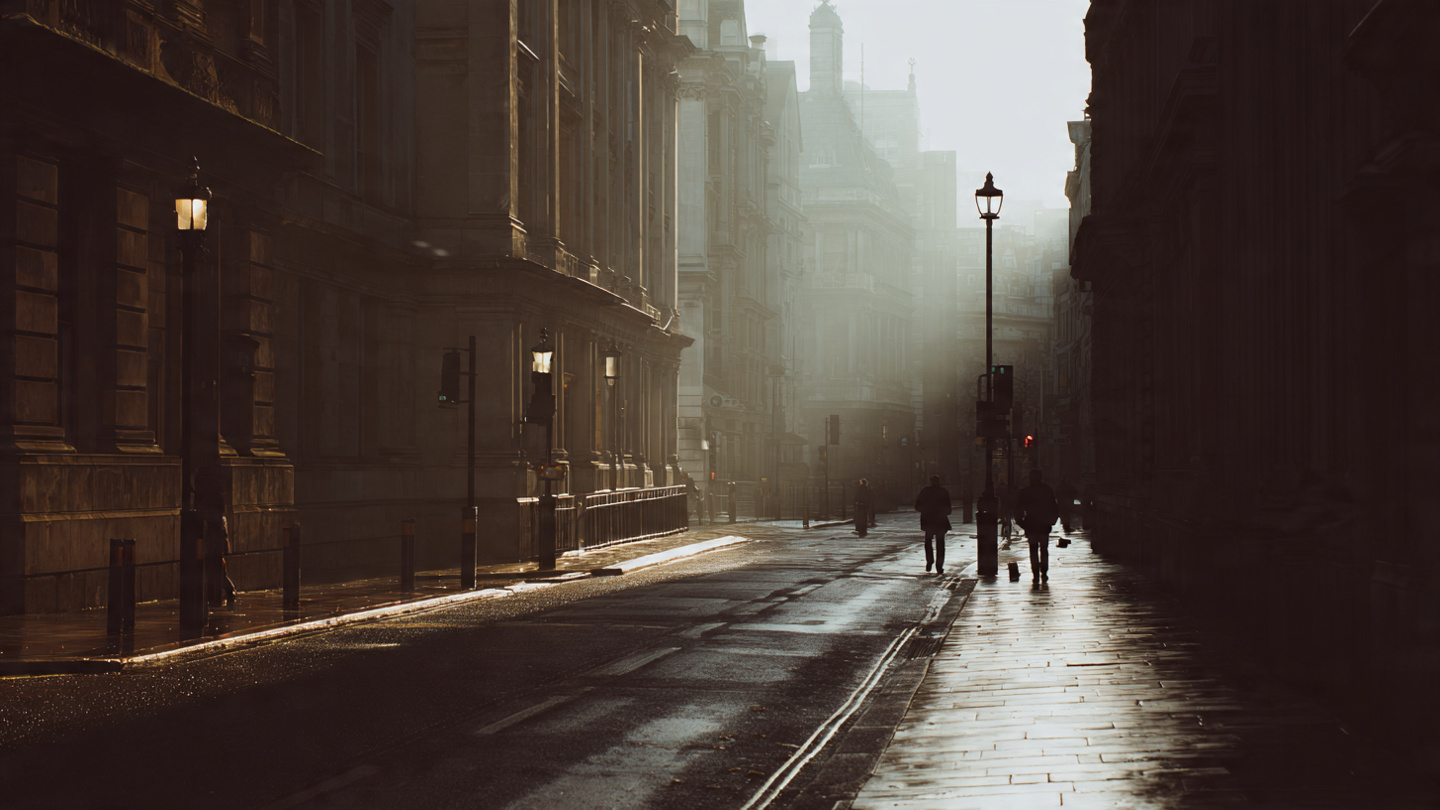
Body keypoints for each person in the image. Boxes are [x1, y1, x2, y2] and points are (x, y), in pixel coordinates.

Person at [195, 465, 237, 607]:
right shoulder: (215, 500)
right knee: (216, 567)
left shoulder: (213, 502)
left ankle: (228, 590)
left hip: (214, 539)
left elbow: (220, 522)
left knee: (218, 567)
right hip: (212, 538)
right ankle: (221, 592)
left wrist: (224, 541)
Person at [1016, 469, 1060, 584]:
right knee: (1044, 549)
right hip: (1044, 524)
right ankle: (1044, 573)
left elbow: (1018, 511)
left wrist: (1023, 524)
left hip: (1031, 524)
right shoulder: (1047, 490)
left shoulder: (1025, 492)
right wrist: (1051, 521)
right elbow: (1054, 508)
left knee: (1033, 549)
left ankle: (1035, 573)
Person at [914, 475, 952, 574]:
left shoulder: (925, 491)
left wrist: (926, 511)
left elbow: (917, 506)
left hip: (929, 520)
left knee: (928, 542)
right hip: (940, 521)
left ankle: (930, 561)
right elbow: (948, 509)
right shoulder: (943, 491)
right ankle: (939, 566)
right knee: (940, 544)